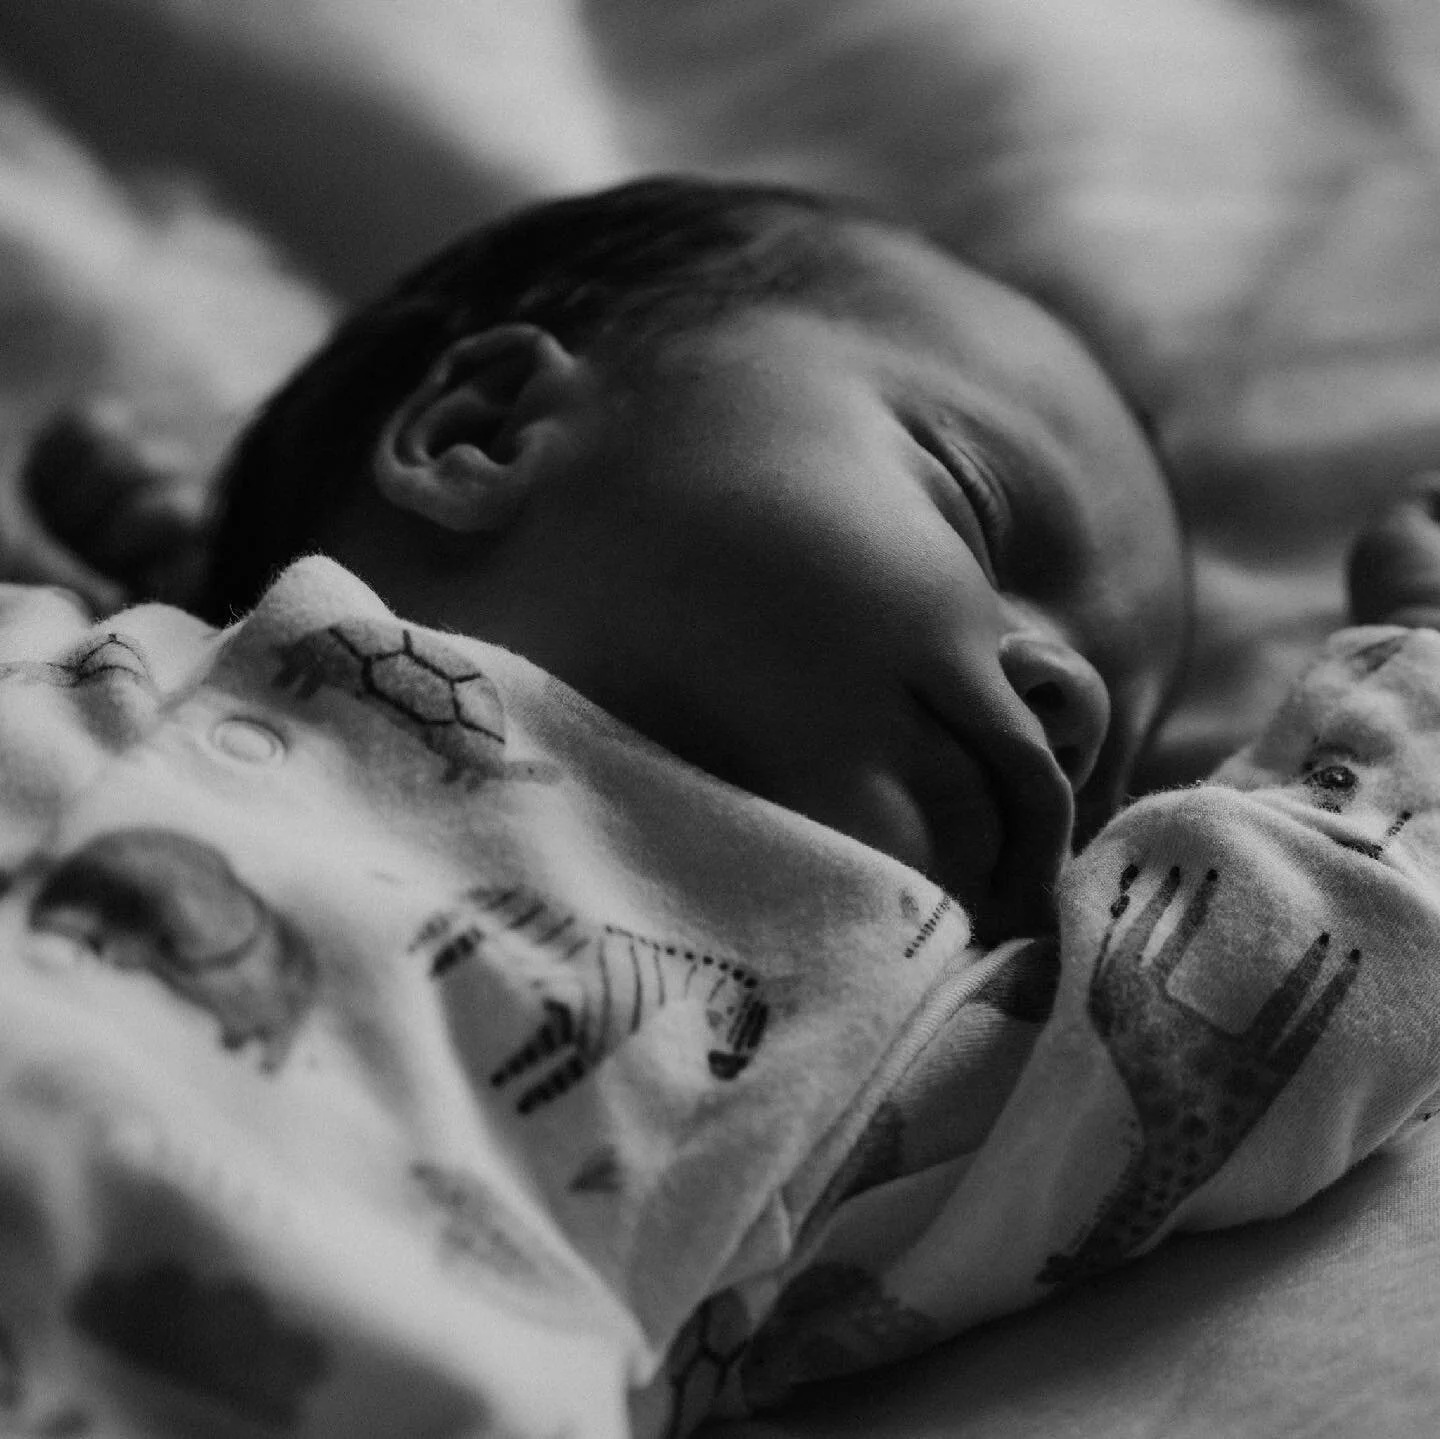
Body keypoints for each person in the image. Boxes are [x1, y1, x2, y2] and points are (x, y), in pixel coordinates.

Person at [2, 176, 1439, 1439]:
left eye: (1117, 757)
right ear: (484, 427)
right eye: (979, 509)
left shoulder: (843, 1018)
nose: (1072, 700)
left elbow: (1252, 999)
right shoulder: (66, 662)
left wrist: (1416, 692)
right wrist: (182, 581)